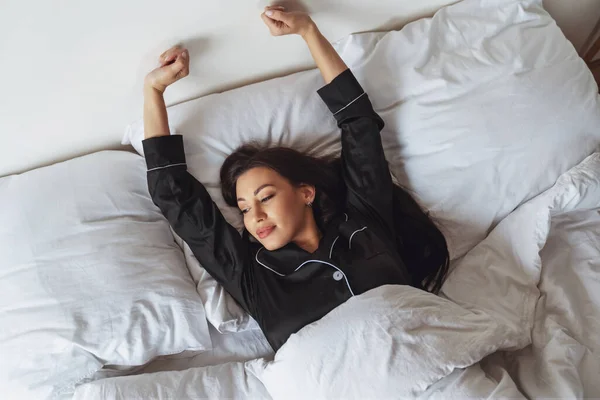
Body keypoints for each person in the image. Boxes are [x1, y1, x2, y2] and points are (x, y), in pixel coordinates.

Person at [142, 5, 449, 352]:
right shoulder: (253, 275)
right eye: (243, 208)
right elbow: (175, 198)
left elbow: (359, 125)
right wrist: (153, 91)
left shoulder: (363, 224)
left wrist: (308, 32)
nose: (254, 217)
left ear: (305, 192)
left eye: (265, 197)